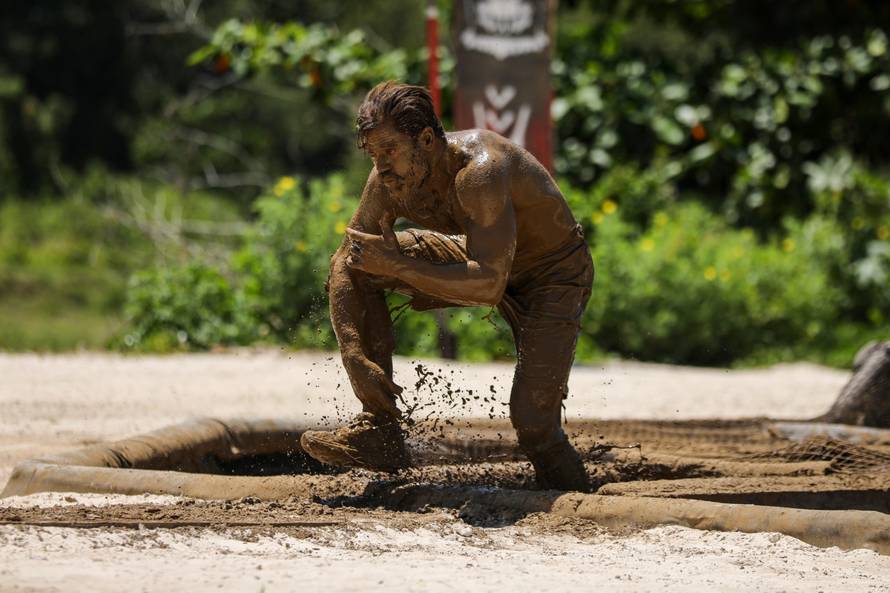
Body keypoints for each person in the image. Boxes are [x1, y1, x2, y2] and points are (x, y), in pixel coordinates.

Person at [300, 81, 593, 491]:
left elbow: (489, 284)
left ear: (425, 139)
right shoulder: (386, 179)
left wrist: (399, 265)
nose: (381, 165)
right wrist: (352, 354)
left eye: (390, 150)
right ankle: (379, 431)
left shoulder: (480, 172)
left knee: (533, 422)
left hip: (552, 274)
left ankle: (574, 497)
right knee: (360, 263)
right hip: (480, 256)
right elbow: (344, 261)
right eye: (372, 153)